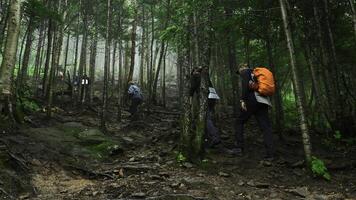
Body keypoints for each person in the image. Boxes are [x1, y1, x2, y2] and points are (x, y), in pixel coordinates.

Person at [229, 63, 274, 159]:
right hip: (263, 101)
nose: (240, 74)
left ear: (242, 68)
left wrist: (242, 100)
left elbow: (246, 86)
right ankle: (270, 154)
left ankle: (239, 147)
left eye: (239, 71)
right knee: (266, 127)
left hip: (252, 100)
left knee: (239, 122)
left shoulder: (246, 72)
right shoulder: (256, 74)